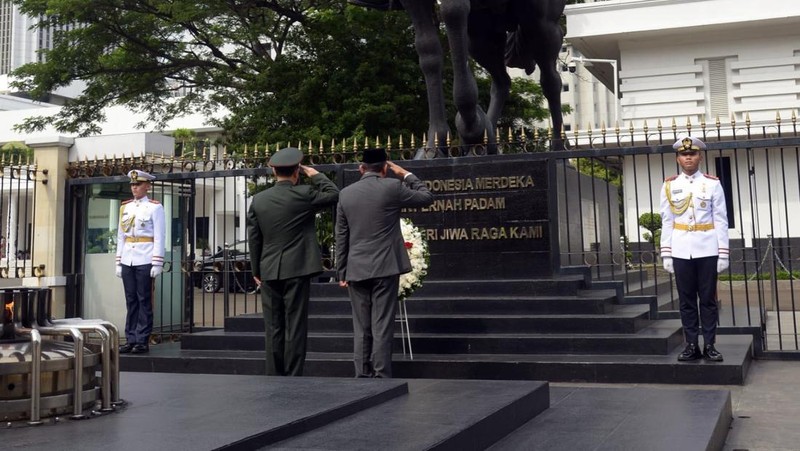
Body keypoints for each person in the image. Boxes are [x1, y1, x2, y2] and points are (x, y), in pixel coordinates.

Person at [335, 148, 434, 378]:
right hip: (385, 266)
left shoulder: (345, 194)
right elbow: (426, 197)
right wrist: (406, 174)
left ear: (362, 168)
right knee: (382, 324)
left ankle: (362, 374)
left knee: (361, 327)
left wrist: (341, 272)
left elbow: (342, 235)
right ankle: (381, 375)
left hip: (356, 267)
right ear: (385, 168)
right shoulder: (392, 187)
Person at [246, 147, 339, 376]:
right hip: (297, 268)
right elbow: (334, 193)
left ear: (274, 172)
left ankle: (274, 373)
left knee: (273, 326)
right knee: (295, 324)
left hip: (268, 270)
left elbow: (254, 239)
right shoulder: (305, 193)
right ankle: (293, 374)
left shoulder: (258, 200)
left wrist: (256, 269)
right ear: (297, 171)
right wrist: (315, 174)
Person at [660, 136, 729, 362]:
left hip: (708, 249)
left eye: (692, 154)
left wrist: (723, 252)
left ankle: (709, 345)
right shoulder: (670, 185)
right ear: (678, 158)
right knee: (686, 300)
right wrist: (666, 252)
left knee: (708, 300)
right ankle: (691, 345)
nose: (688, 157)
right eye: (683, 154)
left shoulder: (712, 184)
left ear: (700, 156)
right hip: (681, 250)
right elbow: (667, 220)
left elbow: (720, 219)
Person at [116, 169, 166, 354]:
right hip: (128, 259)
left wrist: (157, 262)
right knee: (131, 300)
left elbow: (160, 236)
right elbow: (121, 236)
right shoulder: (125, 207)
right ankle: (130, 338)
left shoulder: (155, 207)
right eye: (132, 185)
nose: (134, 188)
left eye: (138, 185)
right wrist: (118, 262)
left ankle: (142, 340)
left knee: (144, 299)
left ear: (147, 186)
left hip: (145, 258)